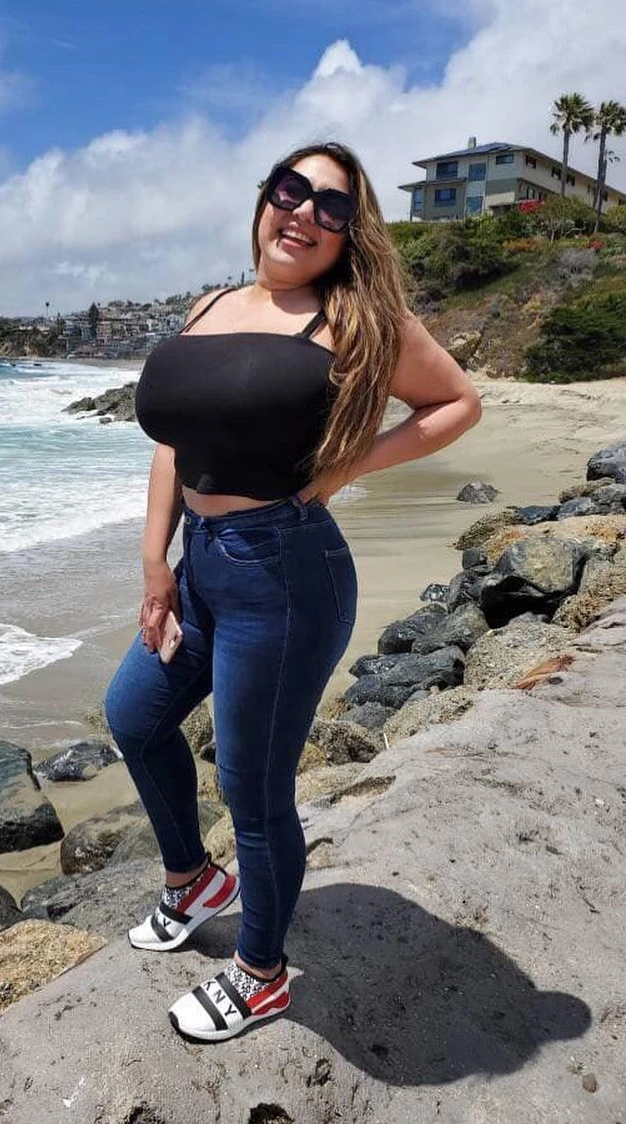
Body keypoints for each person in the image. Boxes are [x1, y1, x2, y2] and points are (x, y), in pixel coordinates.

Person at [103, 140, 482, 1042]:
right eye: (290, 190)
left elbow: (455, 404)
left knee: (253, 786)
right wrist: (156, 564)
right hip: (201, 564)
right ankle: (194, 881)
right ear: (265, 198)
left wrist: (347, 466)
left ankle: (261, 974)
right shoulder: (209, 306)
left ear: (350, 232)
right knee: (134, 717)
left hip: (284, 573)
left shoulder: (358, 320)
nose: (304, 212)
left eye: (331, 206)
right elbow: (175, 442)